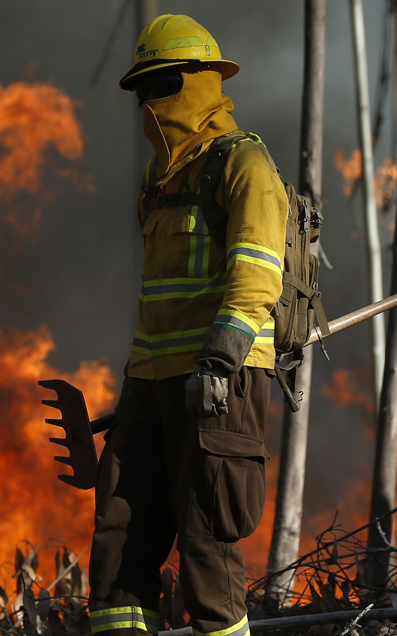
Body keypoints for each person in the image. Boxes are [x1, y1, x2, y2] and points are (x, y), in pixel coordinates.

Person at [87, 14, 289, 636]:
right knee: (120, 542)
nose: (151, 102)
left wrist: (221, 357)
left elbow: (257, 272)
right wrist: (137, 389)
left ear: (201, 81)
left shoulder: (243, 163)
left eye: (163, 83)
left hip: (217, 384)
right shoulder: (156, 179)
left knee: (208, 547)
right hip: (152, 384)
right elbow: (158, 299)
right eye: (141, 89)